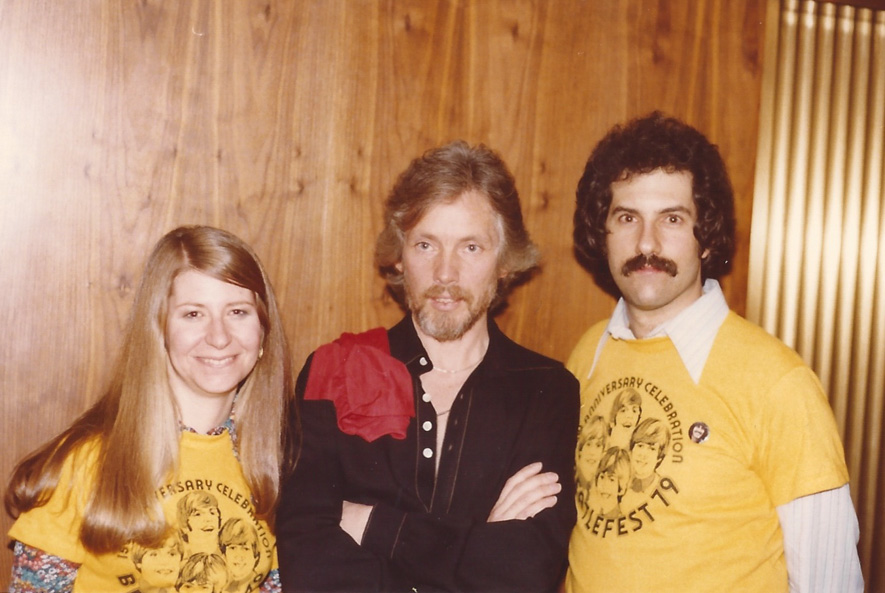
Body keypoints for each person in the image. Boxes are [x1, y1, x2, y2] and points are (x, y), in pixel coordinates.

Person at [565, 112, 863, 592]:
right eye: (627, 218)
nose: (647, 243)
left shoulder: (777, 383)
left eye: (673, 219)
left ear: (707, 238)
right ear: (601, 233)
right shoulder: (588, 354)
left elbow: (831, 582)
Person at [276, 140, 580, 592]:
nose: (445, 274)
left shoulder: (547, 390)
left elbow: (523, 571)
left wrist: (374, 525)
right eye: (425, 245)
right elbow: (310, 560)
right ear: (399, 256)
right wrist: (478, 544)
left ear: (505, 262)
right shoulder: (333, 367)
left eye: (471, 247)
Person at [5, 225, 296, 593]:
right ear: (158, 330)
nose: (219, 337)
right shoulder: (87, 462)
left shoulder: (276, 462)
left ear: (263, 333)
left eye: (237, 311)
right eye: (193, 314)